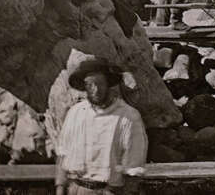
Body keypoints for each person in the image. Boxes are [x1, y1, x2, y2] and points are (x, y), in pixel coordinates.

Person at [56, 57, 147, 195]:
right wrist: (60, 188)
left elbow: (134, 168)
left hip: (108, 190)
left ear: (108, 84)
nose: (95, 90)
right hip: (76, 189)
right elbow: (63, 154)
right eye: (90, 84)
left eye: (100, 84)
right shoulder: (76, 113)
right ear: (84, 87)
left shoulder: (128, 117)